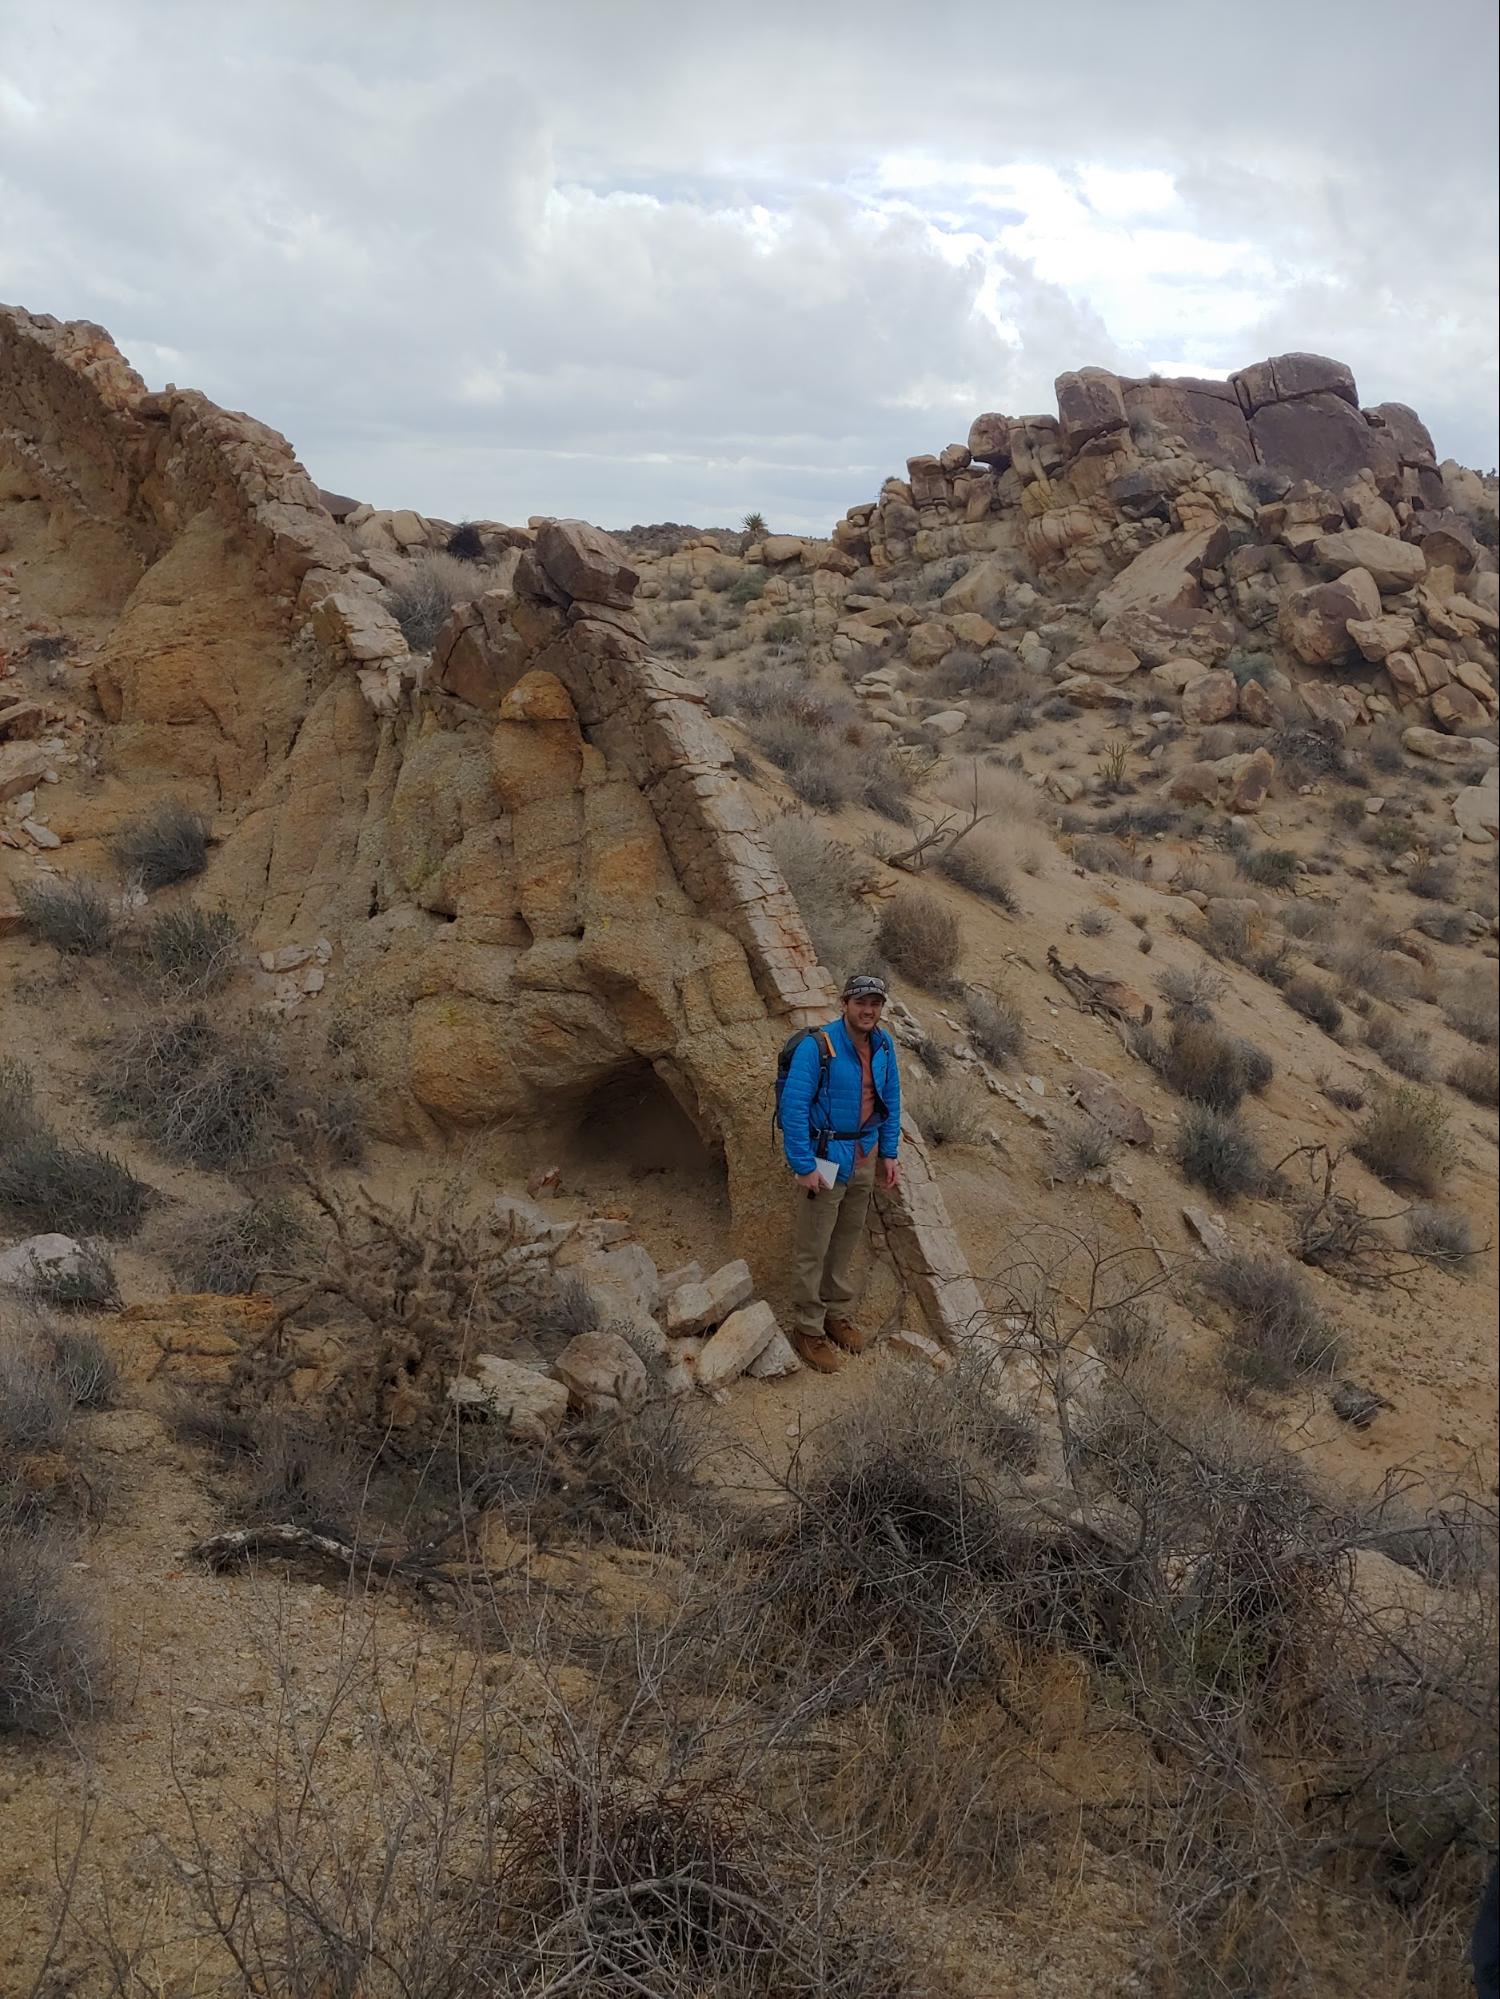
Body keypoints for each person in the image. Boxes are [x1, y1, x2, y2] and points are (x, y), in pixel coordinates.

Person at [778, 972, 901, 1373]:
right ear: (844, 1004)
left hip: (864, 1154)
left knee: (845, 1240)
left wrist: (889, 1153)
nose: (868, 1010)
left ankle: (835, 1315)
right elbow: (794, 1107)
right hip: (825, 1157)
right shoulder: (819, 1046)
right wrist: (803, 1164)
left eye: (875, 1004)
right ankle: (808, 1328)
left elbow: (891, 1098)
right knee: (813, 1245)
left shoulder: (883, 1045)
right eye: (861, 1002)